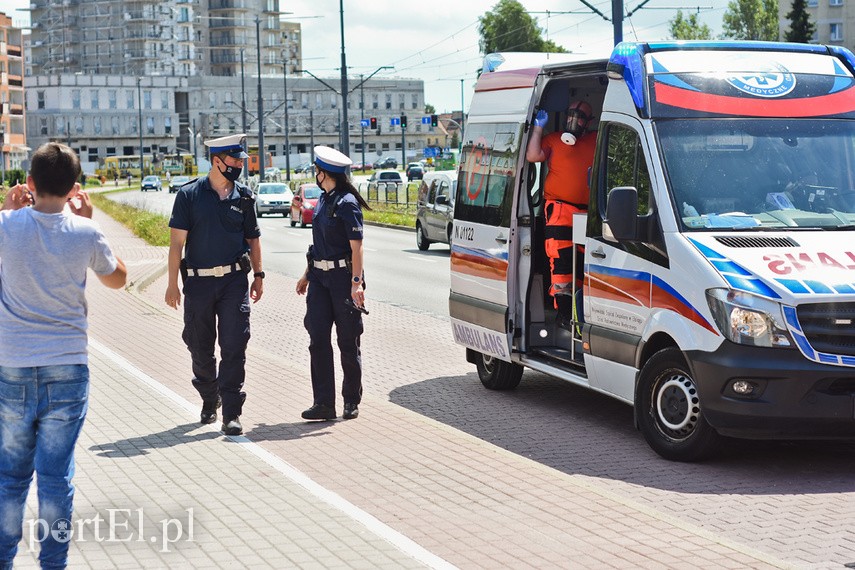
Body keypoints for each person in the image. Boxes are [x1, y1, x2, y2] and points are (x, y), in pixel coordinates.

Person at [0, 142, 127, 569]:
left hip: (13, 367)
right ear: (75, 188)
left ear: (30, 184)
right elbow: (118, 280)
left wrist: (7, 207)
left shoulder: (5, 225)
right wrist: (89, 224)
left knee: (11, 478)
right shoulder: (85, 232)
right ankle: (53, 564)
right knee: (56, 478)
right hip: (68, 369)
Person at [165, 133, 263, 437]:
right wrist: (171, 284)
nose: (239, 165)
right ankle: (210, 396)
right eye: (234, 160)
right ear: (217, 161)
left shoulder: (245, 197)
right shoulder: (189, 196)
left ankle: (231, 413)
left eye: (240, 160)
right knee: (199, 348)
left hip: (235, 281)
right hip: (198, 284)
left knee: (235, 346)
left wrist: (258, 275)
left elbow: (254, 240)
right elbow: (175, 245)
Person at [297, 146, 369, 421]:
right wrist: (306, 274)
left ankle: (351, 399)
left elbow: (357, 247)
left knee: (347, 342)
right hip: (319, 279)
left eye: (316, 171)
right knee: (318, 340)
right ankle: (323, 403)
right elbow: (318, 245)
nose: (315, 175)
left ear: (324, 173)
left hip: (343, 280)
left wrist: (356, 284)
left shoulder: (347, 202)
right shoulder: (324, 200)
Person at [525, 99, 596, 328]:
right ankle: (564, 314)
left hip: (585, 213)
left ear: (589, 122)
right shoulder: (554, 139)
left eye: (580, 116)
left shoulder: (594, 140)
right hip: (559, 209)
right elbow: (533, 156)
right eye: (571, 114)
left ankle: (579, 313)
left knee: (584, 262)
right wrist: (538, 128)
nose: (574, 119)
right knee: (561, 261)